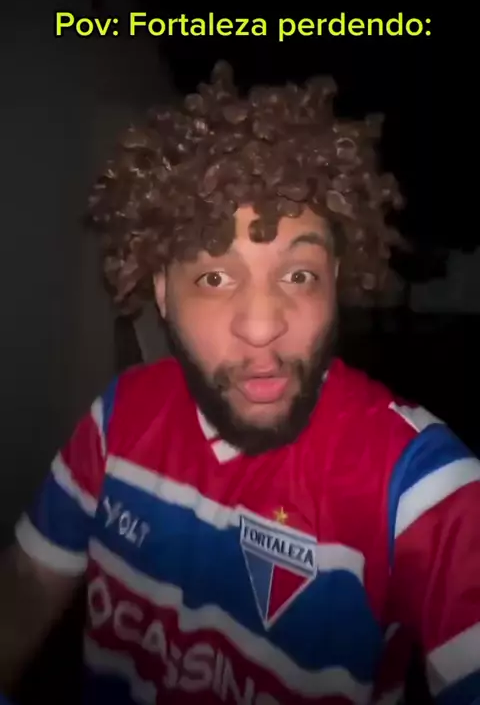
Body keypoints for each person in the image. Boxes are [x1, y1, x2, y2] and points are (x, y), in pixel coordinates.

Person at [0, 62, 479, 705]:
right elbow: (27, 586)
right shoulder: (118, 419)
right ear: (162, 293)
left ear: (336, 280)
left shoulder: (421, 487)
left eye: (299, 275)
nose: (261, 326)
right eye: (214, 277)